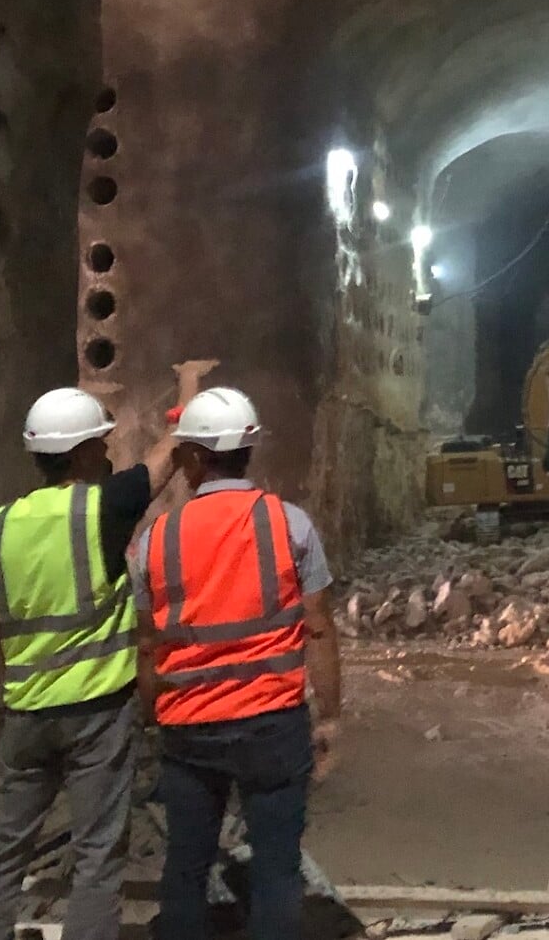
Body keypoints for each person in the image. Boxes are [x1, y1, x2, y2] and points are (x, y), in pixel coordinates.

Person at [0, 386, 183, 940]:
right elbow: (164, 462)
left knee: (4, 850)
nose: (106, 452)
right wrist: (187, 410)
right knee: (98, 855)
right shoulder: (100, 507)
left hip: (26, 713)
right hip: (96, 713)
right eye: (100, 443)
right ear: (80, 452)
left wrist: (22, 679)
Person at [131, 387, 342, 940]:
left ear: (192, 457)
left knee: (186, 866)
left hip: (189, 726)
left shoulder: (156, 539)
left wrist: (152, 717)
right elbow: (319, 627)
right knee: (276, 869)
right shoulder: (290, 524)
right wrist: (329, 716)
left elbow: (148, 645)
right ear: (248, 450)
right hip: (272, 722)